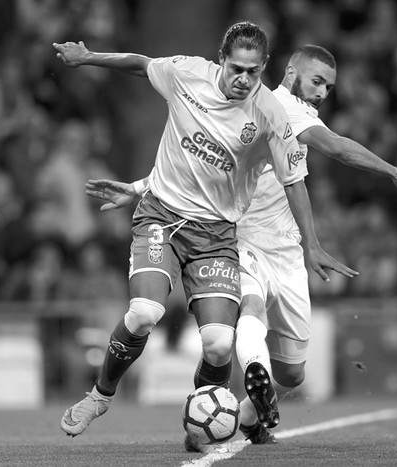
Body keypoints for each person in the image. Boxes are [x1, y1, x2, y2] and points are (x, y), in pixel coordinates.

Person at [85, 44, 397, 445]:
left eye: (329, 87)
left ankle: (251, 414)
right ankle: (251, 372)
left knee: (294, 374)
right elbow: (336, 147)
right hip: (242, 239)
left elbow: (210, 163)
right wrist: (393, 171)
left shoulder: (274, 112)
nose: (321, 92)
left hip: (286, 251)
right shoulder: (280, 109)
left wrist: (138, 185)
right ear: (289, 73)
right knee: (247, 309)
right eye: (316, 81)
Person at [52, 24, 356, 451]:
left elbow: (294, 182)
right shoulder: (187, 73)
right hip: (161, 214)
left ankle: (198, 425)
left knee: (217, 345)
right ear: (220, 59)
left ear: (265, 67)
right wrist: (89, 58)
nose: (243, 79)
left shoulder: (270, 114)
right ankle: (98, 397)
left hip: (215, 234)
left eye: (253, 71)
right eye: (236, 69)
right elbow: (141, 65)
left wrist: (311, 244)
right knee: (145, 311)